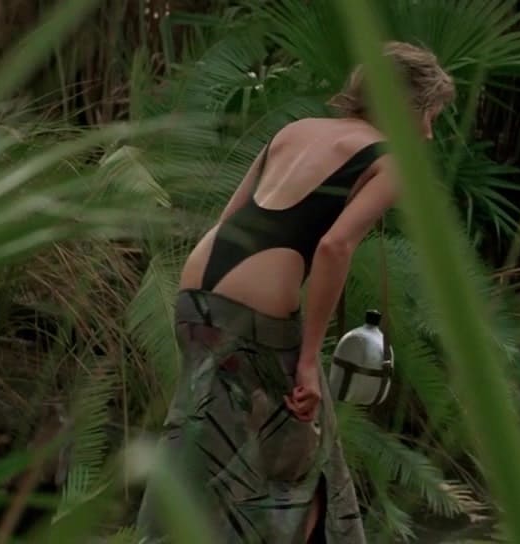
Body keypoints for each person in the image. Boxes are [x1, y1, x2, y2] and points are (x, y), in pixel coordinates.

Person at [135, 41, 455, 543]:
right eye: (430, 115)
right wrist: (308, 359)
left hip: (196, 298)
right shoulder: (392, 161)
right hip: (255, 318)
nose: (429, 132)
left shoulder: (294, 131)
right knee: (306, 468)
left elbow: (229, 218)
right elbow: (333, 247)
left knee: (197, 449)